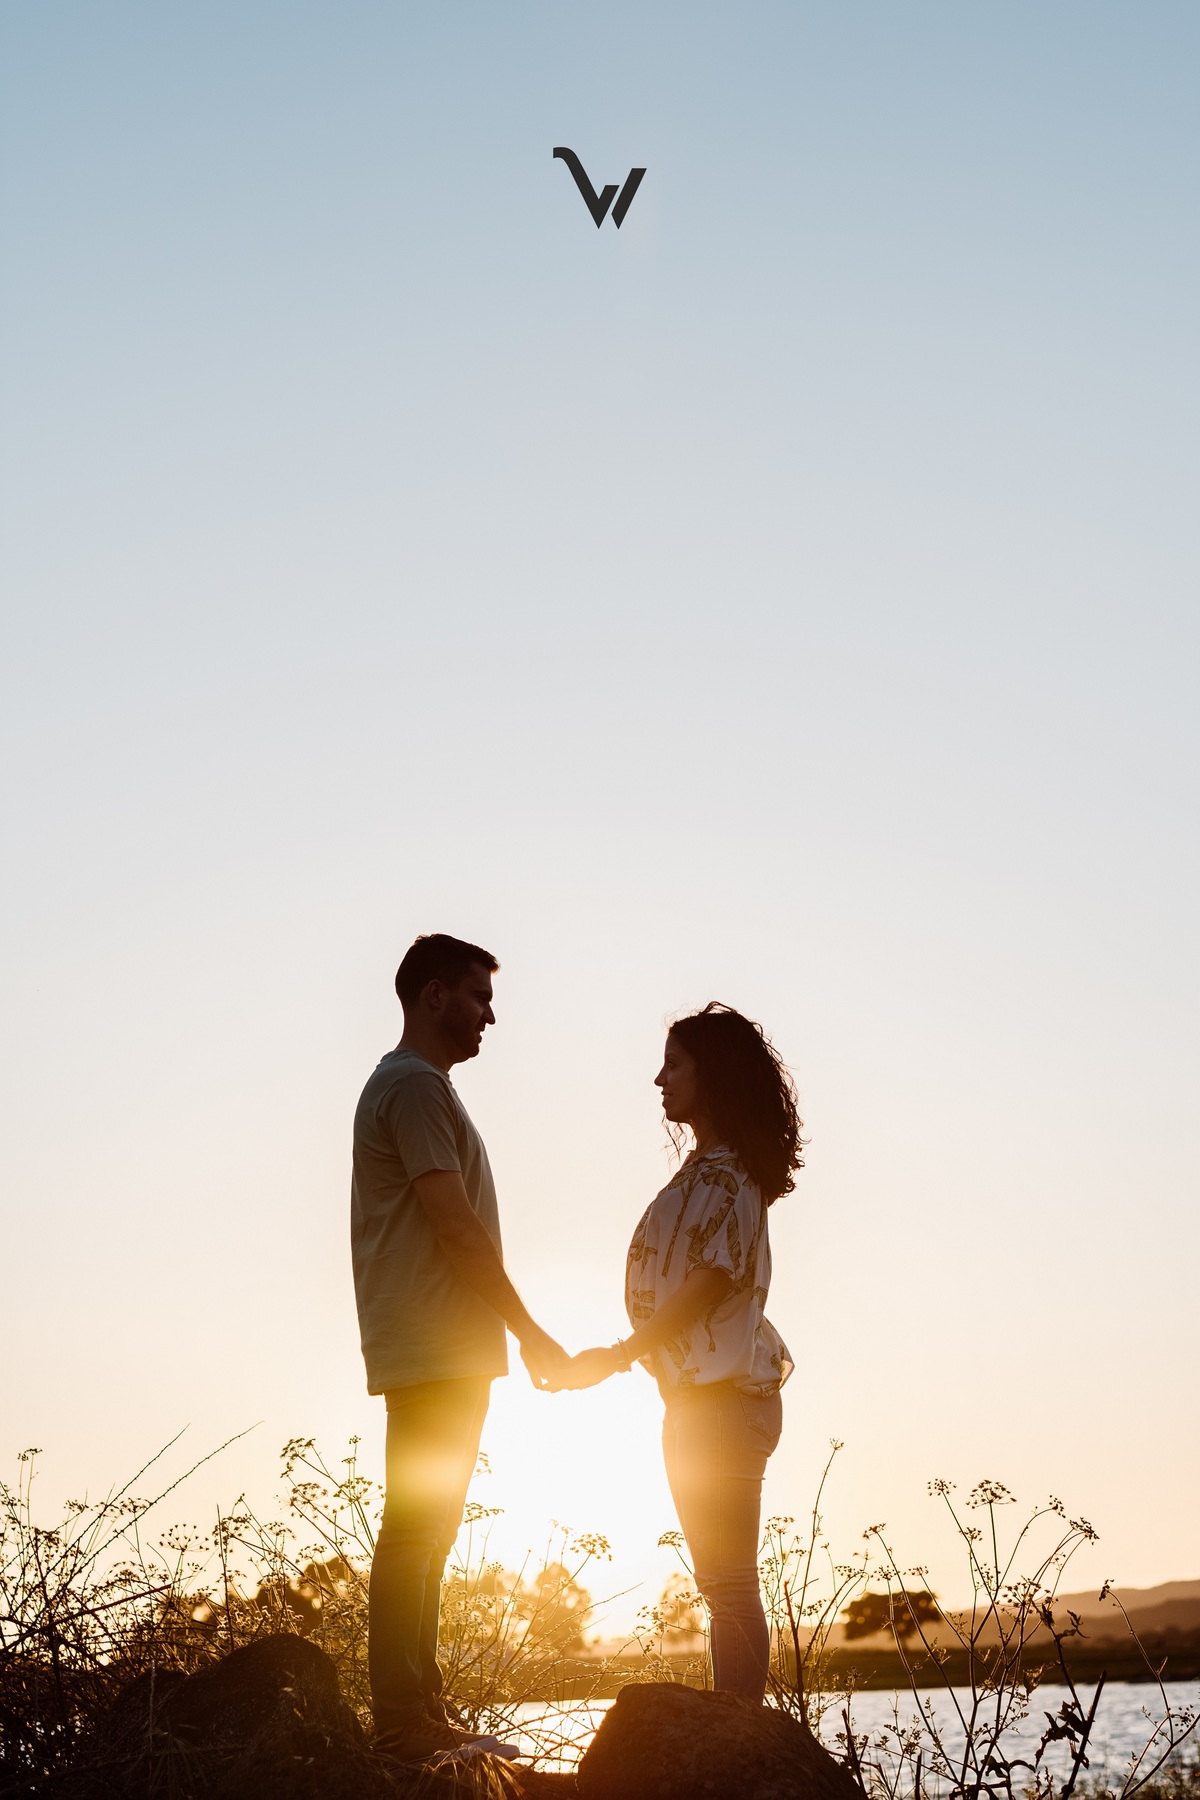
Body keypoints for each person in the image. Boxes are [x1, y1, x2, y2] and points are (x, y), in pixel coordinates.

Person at [351, 933, 567, 1761]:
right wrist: (534, 1331)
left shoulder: (422, 1087)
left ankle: (421, 1719)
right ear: (432, 995)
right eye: (478, 997)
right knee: (414, 1530)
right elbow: (457, 1226)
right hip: (435, 1346)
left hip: (448, 1349)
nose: (489, 1016)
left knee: (428, 1531)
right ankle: (405, 1727)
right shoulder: (412, 1087)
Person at [558, 1003, 802, 1703]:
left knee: (727, 1586)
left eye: (675, 1064)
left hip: (723, 1404)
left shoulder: (730, 1177)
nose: (659, 1079)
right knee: (720, 1584)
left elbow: (705, 1283)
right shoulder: (707, 1169)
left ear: (711, 1075)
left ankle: (739, 1741)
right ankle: (736, 1736)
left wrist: (622, 1351)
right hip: (697, 1402)